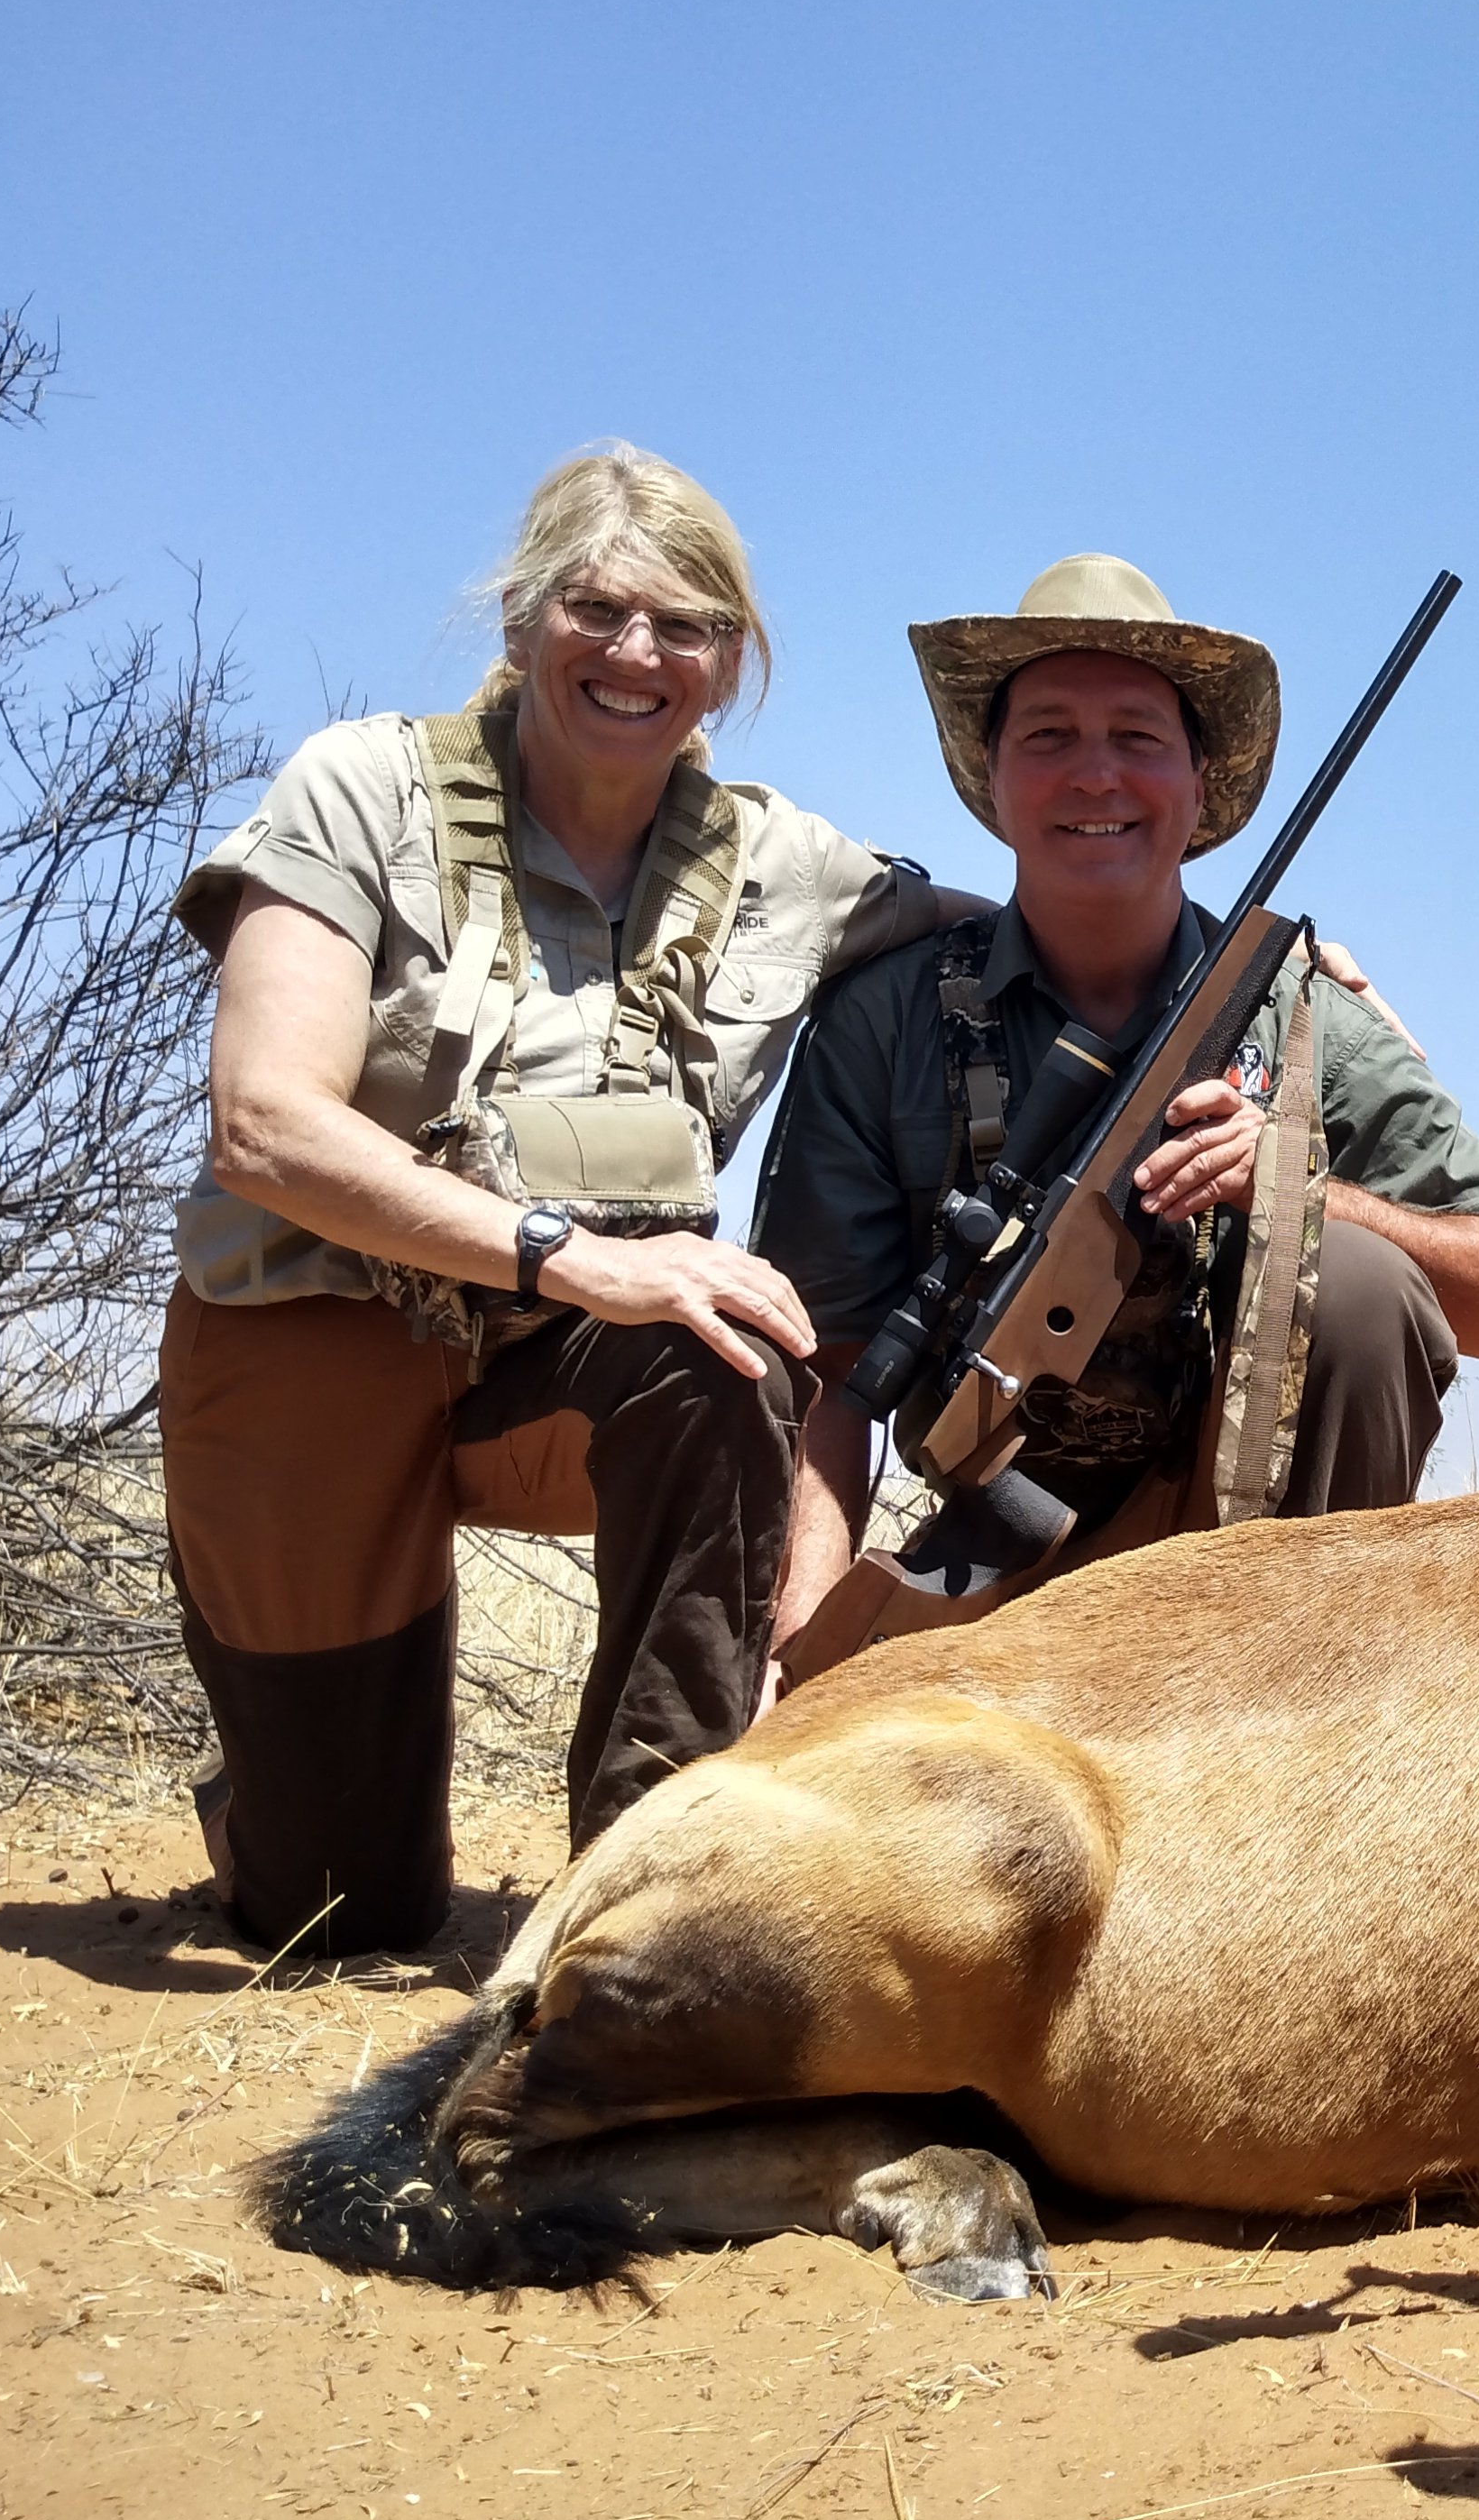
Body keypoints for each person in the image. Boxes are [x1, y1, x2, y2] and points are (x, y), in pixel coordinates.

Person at [164, 445, 969, 1956]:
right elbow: (264, 1129)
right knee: (341, 1913)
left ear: (732, 666)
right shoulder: (362, 788)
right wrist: (571, 1259)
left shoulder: (792, 865)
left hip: (560, 1369)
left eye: (689, 627)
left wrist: (1260, 967)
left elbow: (1039, 934)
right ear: (524, 620)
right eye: (598, 610)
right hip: (313, 1341)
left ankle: (651, 1888)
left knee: (725, 1346)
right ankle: (276, 1802)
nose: (638, 655)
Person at [757, 554, 1479, 1653]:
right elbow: (836, 1376)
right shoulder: (883, 1019)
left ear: (1200, 788)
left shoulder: (1302, 1013)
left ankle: (1322, 1719)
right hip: (992, 1560)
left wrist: (1293, 1190)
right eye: (1048, 735)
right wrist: (798, 1646)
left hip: (1252, 1582)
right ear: (991, 778)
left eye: (1138, 739)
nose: (1095, 775)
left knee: (1362, 1280)